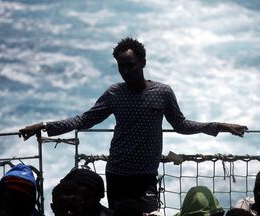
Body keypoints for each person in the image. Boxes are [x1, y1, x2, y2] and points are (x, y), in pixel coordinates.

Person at [19, 37, 248, 210]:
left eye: (131, 65)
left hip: (146, 175)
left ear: (143, 62)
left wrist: (220, 126)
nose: (126, 71)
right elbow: (84, 120)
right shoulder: (114, 93)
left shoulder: (162, 92)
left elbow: (180, 124)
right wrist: (44, 126)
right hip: (117, 173)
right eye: (122, 67)